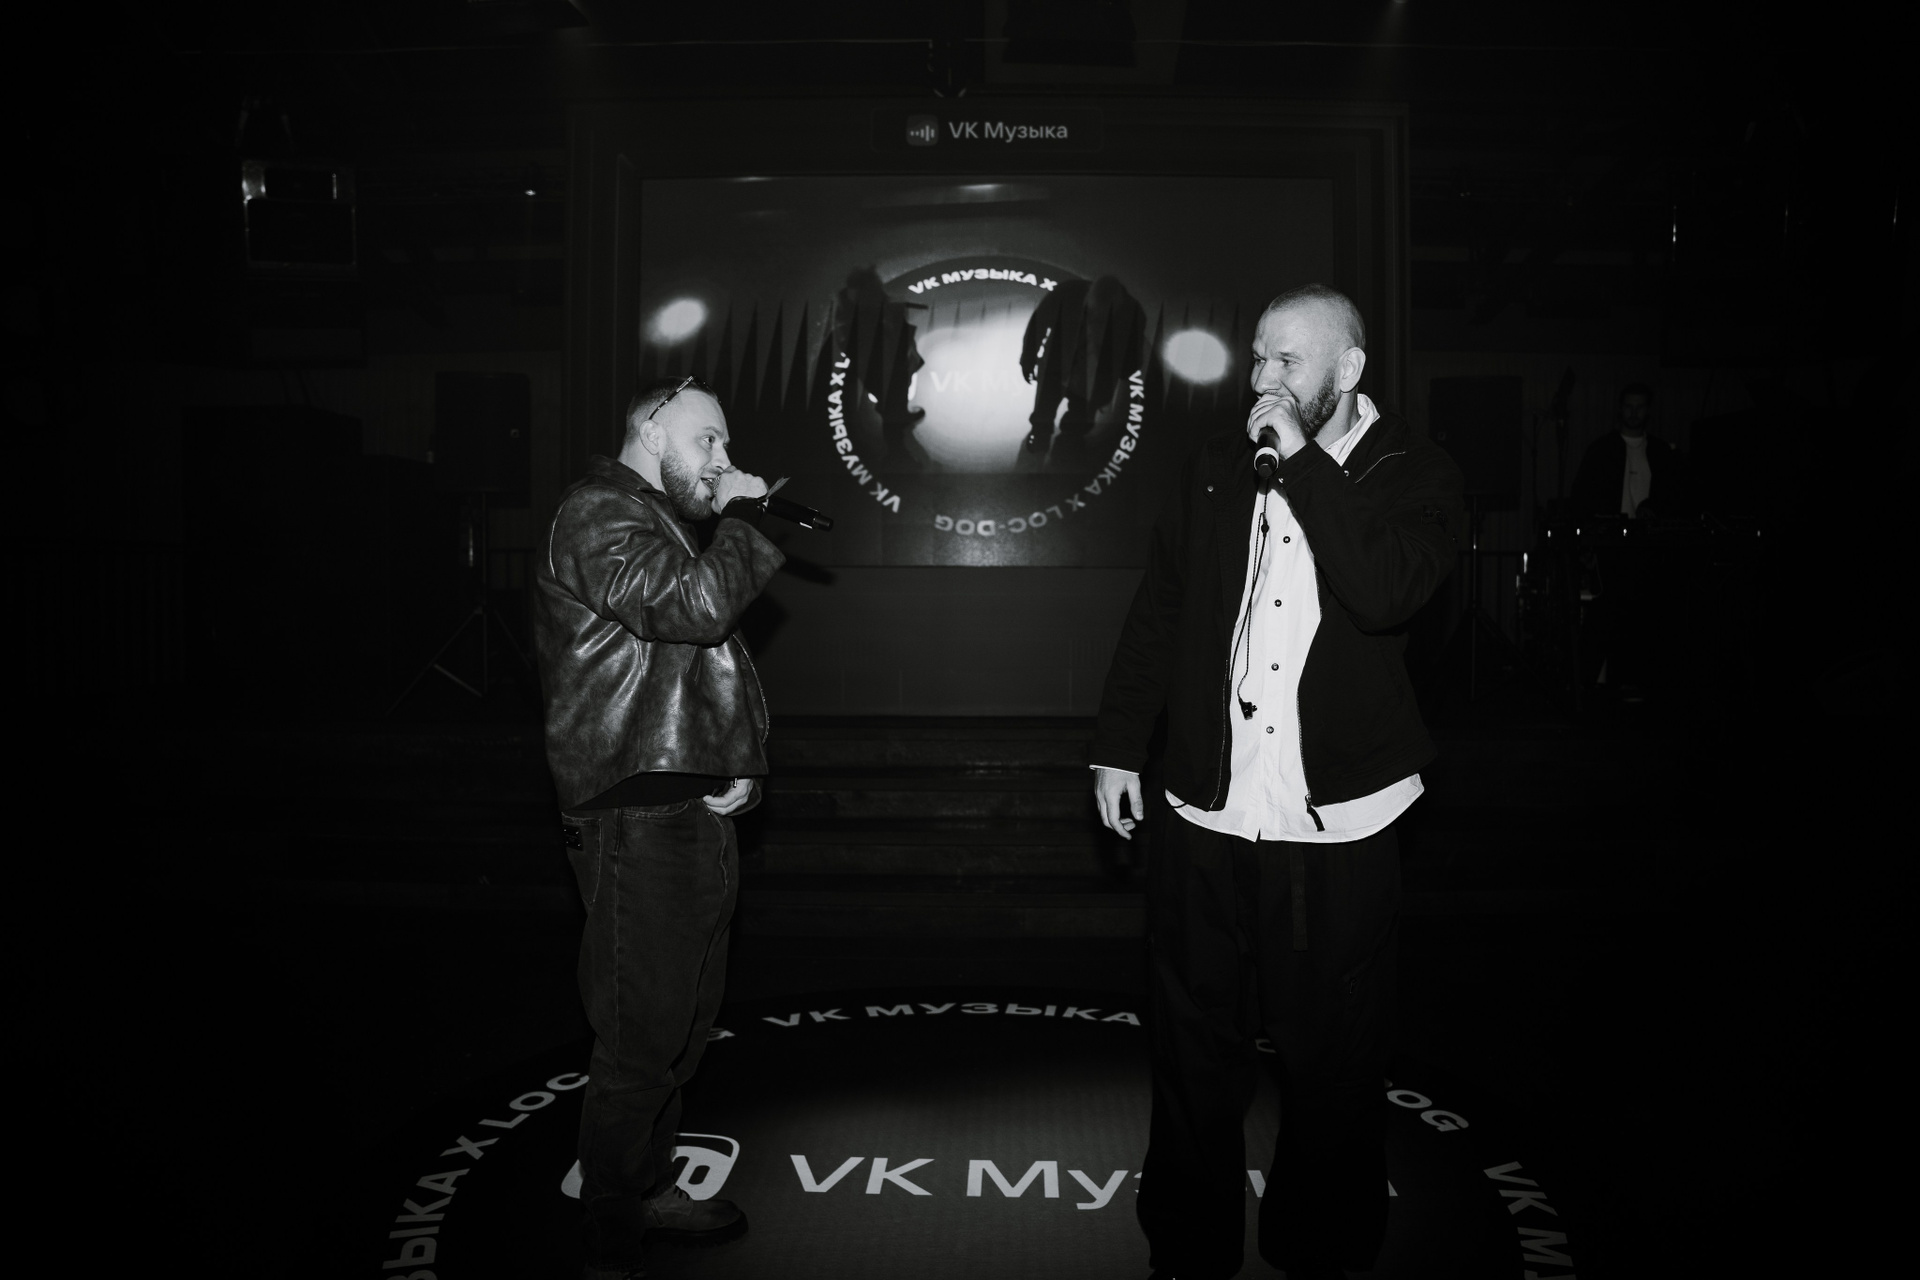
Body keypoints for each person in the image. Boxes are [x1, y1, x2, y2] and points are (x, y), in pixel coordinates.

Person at [1089, 284, 1465, 1280]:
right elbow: (1162, 607)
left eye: (1288, 362)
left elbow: (1384, 591)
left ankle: (1322, 1246)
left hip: (1336, 824)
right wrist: (1120, 741)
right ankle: (1189, 1243)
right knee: (1189, 1044)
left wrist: (1302, 465)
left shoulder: (1415, 472)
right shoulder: (1216, 464)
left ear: (1348, 369)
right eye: (1258, 357)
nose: (1263, 379)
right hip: (1206, 806)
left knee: (1335, 1060)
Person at [532, 375, 784, 1279]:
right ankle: (612, 1227)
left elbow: (691, 660)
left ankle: (645, 1185)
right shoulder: (596, 511)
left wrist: (734, 758)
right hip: (631, 815)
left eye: (726, 445)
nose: (723, 459)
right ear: (650, 429)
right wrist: (745, 521)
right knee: (643, 1029)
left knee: (683, 1022)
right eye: (707, 440)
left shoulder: (652, 521)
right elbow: (693, 610)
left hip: (679, 804)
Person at [1569, 383, 1687, 519]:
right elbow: (1582, 493)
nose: (1634, 413)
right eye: (1628, 407)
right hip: (1611, 530)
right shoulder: (1601, 449)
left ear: (1648, 410)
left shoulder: (1660, 451)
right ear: (1621, 408)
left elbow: (1672, 493)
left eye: (1640, 407)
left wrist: (1652, 507)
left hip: (1649, 530)